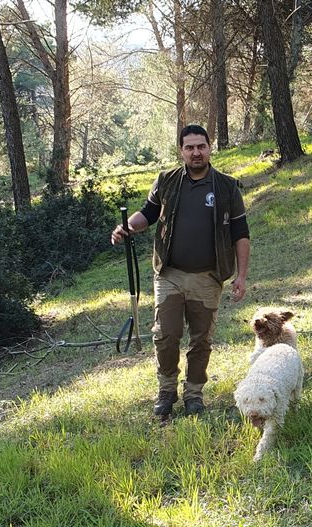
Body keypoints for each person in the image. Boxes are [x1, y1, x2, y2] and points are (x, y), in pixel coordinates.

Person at [111, 124, 250, 416]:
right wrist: (127, 227)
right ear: (181, 151)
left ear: (210, 148)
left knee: (202, 339)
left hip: (208, 277)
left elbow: (241, 232)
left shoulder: (226, 186)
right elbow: (147, 214)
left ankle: (194, 394)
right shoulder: (166, 181)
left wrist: (241, 275)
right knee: (165, 334)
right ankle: (166, 391)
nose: (196, 152)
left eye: (201, 146)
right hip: (170, 274)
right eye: (190, 147)